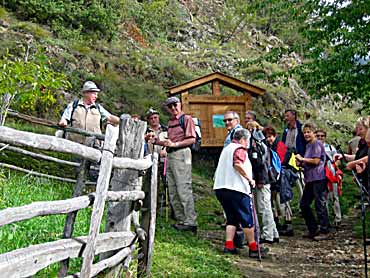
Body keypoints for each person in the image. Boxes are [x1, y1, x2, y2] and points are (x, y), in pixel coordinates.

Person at [214, 128, 269, 258]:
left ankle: (229, 245)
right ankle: (253, 247)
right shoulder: (240, 149)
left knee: (231, 218)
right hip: (236, 188)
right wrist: (250, 179)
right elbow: (237, 164)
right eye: (248, 140)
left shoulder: (226, 149)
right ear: (243, 139)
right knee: (247, 218)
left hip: (221, 187)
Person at [155, 96, 197, 232]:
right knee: (172, 189)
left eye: (175, 105)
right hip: (171, 154)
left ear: (180, 104)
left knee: (183, 187)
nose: (173, 108)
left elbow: (191, 139)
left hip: (182, 153)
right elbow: (169, 142)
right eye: (170, 106)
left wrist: (175, 144)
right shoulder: (171, 122)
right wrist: (156, 141)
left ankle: (190, 221)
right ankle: (181, 219)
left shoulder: (187, 119)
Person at [246, 121, 279, 244]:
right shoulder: (262, 141)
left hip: (263, 180)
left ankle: (267, 235)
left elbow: (259, 163)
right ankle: (274, 233)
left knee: (264, 207)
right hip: (265, 178)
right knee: (266, 206)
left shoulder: (257, 143)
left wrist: (260, 179)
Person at [295, 123, 330, 241]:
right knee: (304, 204)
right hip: (310, 178)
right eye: (304, 132)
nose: (306, 134)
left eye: (308, 132)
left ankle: (324, 230)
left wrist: (302, 159)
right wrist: (301, 163)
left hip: (318, 178)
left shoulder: (316, 144)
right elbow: (309, 162)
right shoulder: (308, 145)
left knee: (320, 204)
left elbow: (316, 161)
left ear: (314, 133)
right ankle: (313, 229)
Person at [263, 126, 296, 237]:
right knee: (273, 200)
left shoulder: (280, 146)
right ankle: (277, 221)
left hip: (281, 176)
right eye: (267, 137)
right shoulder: (269, 146)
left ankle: (288, 223)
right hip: (273, 176)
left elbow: (281, 161)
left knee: (283, 200)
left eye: (270, 136)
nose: (268, 139)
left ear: (275, 136)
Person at [315, 129, 342, 226]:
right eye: (318, 136)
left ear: (325, 137)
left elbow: (337, 159)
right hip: (319, 173)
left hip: (330, 171)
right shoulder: (313, 147)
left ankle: (337, 218)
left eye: (322, 136)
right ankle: (325, 219)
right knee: (323, 197)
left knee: (334, 195)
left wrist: (336, 168)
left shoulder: (330, 148)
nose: (320, 138)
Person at [282, 109, 306, 197]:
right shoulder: (286, 129)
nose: (286, 118)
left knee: (301, 179)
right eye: (285, 116)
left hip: (299, 156)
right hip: (288, 157)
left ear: (294, 116)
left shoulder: (301, 128)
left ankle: (304, 200)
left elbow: (304, 143)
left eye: (287, 116)